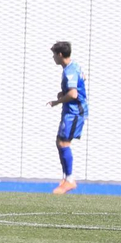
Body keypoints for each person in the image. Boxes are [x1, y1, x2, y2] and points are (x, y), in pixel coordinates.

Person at [48, 41, 87, 194]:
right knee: (60, 141)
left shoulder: (69, 71)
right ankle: (66, 178)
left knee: (64, 143)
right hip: (71, 111)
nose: (53, 58)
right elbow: (82, 78)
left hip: (74, 112)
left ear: (59, 54)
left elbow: (73, 94)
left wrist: (57, 101)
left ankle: (69, 180)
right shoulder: (74, 66)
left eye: (53, 55)